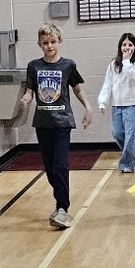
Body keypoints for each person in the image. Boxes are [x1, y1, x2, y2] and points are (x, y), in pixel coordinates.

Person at [20, 22, 93, 228]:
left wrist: (88, 107)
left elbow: (77, 89)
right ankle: (60, 200)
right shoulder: (34, 66)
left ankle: (62, 208)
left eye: (53, 42)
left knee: (61, 165)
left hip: (62, 122)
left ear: (59, 42)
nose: (49, 46)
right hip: (43, 123)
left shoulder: (68, 65)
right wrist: (25, 100)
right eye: (45, 43)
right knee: (50, 168)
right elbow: (30, 91)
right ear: (39, 44)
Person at [97, 32, 135, 173]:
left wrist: (127, 60)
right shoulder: (113, 64)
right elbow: (108, 84)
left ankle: (127, 164)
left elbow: (132, 77)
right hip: (117, 105)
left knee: (129, 135)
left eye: (130, 44)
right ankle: (132, 149)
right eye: (124, 44)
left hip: (132, 104)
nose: (127, 47)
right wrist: (103, 102)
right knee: (117, 133)